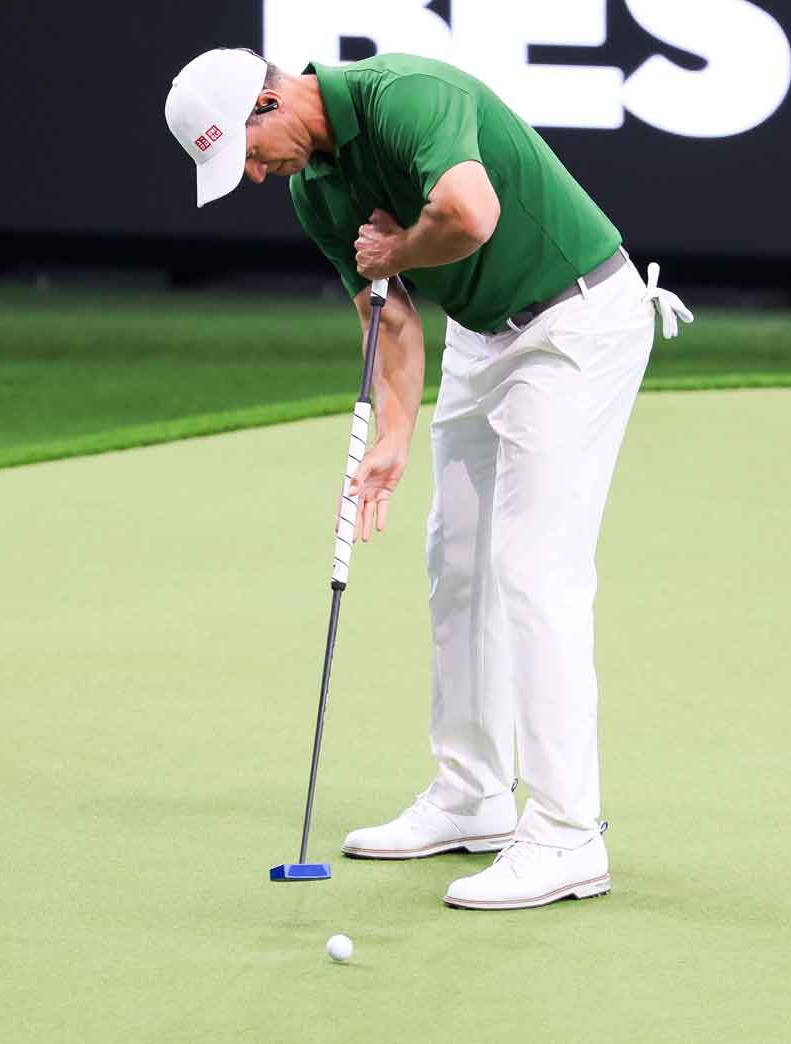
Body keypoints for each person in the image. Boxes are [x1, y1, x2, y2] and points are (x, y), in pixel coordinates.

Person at [164, 47, 690, 910]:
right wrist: (394, 433)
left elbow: (469, 213)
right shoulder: (315, 188)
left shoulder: (407, 96)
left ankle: (567, 834)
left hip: (576, 322)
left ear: (269, 100)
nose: (257, 177)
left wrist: (397, 246)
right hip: (486, 339)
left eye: (251, 154)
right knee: (457, 562)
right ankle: (473, 793)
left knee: (535, 571)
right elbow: (390, 310)